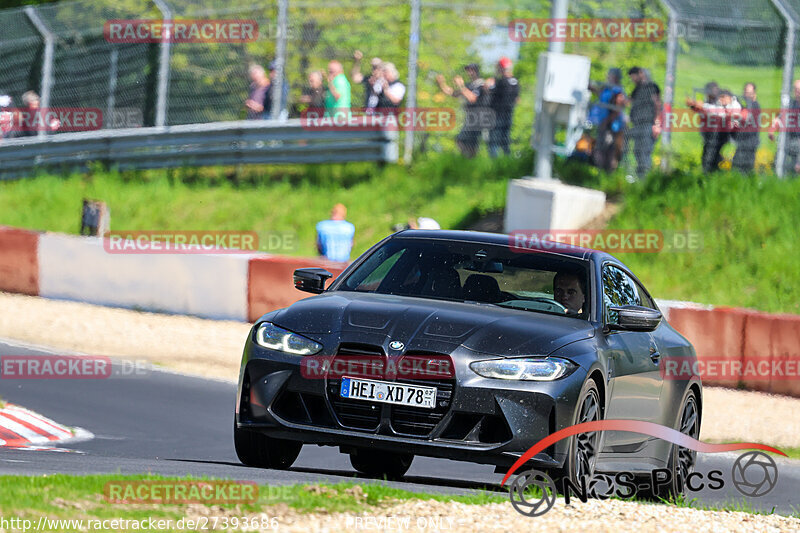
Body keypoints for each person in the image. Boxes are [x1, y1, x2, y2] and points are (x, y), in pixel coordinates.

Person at [436, 63, 487, 158]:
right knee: (463, 141)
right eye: (468, 70)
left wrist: (461, 86)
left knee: (466, 141)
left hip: (478, 118)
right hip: (470, 117)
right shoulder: (469, 84)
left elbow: (472, 98)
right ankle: (469, 160)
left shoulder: (481, 84)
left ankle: (470, 160)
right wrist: (442, 83)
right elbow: (453, 93)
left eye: (471, 70)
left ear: (476, 71)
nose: (469, 72)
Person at [687, 89, 742, 173]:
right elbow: (713, 109)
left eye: (723, 97)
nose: (721, 100)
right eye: (720, 98)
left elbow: (723, 114)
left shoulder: (736, 105)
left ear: (730, 98)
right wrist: (696, 105)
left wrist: (702, 106)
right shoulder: (721, 104)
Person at [627, 67, 661, 177]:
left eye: (633, 76)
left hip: (648, 124)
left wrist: (657, 124)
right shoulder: (637, 89)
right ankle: (638, 178)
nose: (632, 79)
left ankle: (645, 179)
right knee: (637, 151)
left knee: (645, 152)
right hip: (637, 124)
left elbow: (658, 105)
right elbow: (629, 102)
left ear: (640, 74)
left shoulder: (652, 87)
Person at [485, 56, 519, 158]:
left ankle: (495, 165)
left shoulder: (501, 81)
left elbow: (488, 88)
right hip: (508, 115)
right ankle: (506, 161)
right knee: (505, 141)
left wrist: (490, 83)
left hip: (497, 116)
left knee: (493, 142)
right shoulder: (515, 82)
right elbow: (517, 99)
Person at [769, 79, 800, 176]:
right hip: (788, 138)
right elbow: (779, 118)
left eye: (799, 90)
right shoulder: (790, 104)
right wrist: (771, 131)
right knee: (778, 161)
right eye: (795, 89)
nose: (797, 92)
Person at [593, 91, 628, 172]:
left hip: (618, 133)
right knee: (605, 150)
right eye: (619, 97)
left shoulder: (622, 111)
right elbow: (605, 122)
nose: (622, 99)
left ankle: (610, 171)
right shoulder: (611, 108)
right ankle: (601, 169)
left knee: (614, 153)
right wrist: (616, 112)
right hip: (609, 132)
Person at [732, 82, 760, 174]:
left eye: (749, 93)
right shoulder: (745, 106)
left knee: (744, 169)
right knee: (736, 167)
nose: (746, 95)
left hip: (749, 143)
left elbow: (745, 117)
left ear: (754, 94)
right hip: (741, 143)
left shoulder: (755, 106)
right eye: (745, 92)